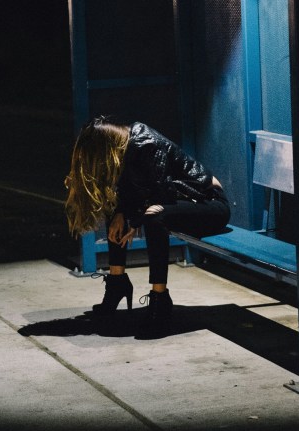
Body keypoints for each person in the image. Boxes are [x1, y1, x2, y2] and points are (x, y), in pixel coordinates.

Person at [64, 115, 230, 334]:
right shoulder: (122, 149)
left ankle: (160, 299)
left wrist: (134, 222)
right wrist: (123, 214)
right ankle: (117, 283)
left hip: (209, 205)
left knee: (154, 216)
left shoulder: (146, 143)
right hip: (177, 202)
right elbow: (133, 192)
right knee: (118, 214)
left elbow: (160, 193)